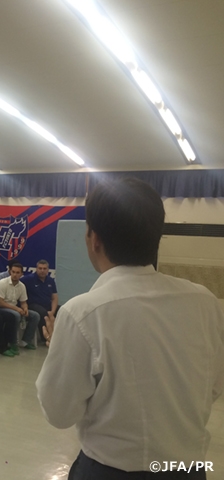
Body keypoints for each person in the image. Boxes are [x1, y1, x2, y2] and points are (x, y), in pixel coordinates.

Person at [36, 178, 224, 480]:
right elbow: (214, 385)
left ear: (94, 240)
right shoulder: (205, 303)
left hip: (110, 471)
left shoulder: (83, 313)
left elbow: (59, 412)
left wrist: (59, 348)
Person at [0, 262, 40, 351]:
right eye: (13, 272)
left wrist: (25, 308)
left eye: (17, 272)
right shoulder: (2, 283)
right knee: (16, 315)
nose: (15, 274)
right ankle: (13, 342)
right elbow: (0, 303)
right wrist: (17, 309)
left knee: (35, 316)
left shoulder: (22, 286)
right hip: (0, 308)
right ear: (10, 272)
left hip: (14, 308)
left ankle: (25, 341)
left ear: (21, 274)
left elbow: (23, 302)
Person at [21, 260, 59, 342]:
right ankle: (46, 338)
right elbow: (16, 283)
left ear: (48, 269)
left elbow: (54, 298)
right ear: (36, 269)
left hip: (47, 305)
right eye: (40, 268)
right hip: (33, 304)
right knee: (43, 313)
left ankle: (60, 336)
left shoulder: (51, 281)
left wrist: (53, 311)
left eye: (44, 268)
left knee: (62, 310)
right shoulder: (28, 279)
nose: (42, 270)